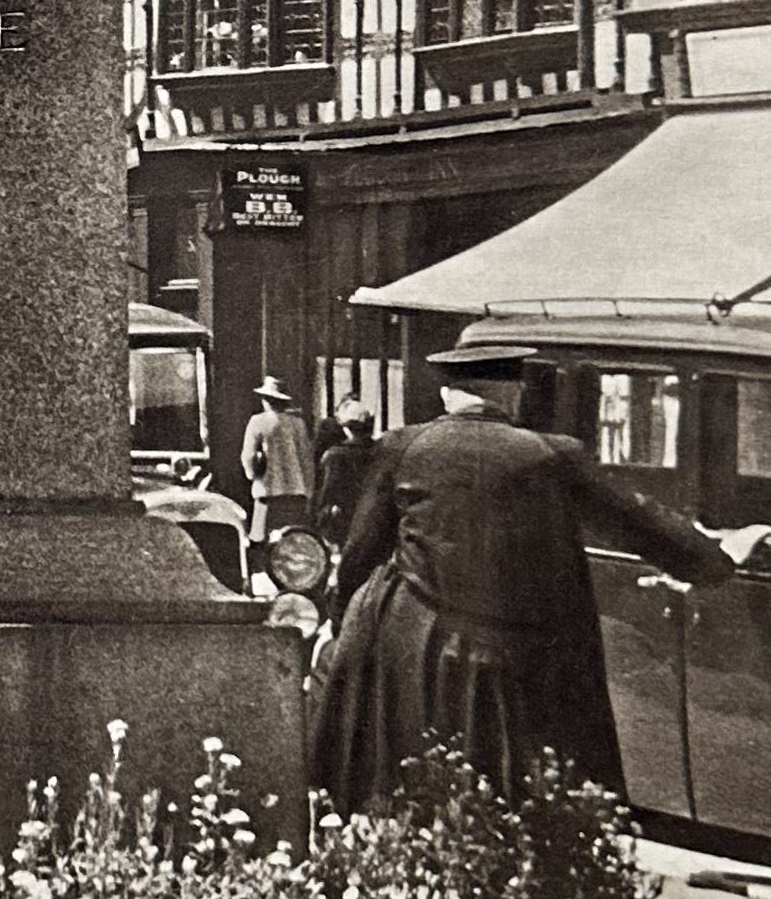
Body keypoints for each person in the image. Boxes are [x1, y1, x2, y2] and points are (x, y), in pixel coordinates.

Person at [311, 333, 739, 811]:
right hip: (513, 652)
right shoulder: (551, 454)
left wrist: (340, 614)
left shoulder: (403, 447)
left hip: (415, 646)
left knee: (409, 784)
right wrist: (714, 559)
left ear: (447, 395)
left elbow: (361, 551)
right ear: (512, 395)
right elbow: (636, 521)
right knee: (515, 791)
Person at [240, 372, 316, 560]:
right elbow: (307, 459)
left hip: (268, 492)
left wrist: (252, 475)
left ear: (266, 400)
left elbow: (248, 457)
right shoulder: (298, 424)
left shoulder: (257, 423)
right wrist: (309, 490)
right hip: (295, 494)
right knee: (293, 544)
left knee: (263, 546)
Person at [314, 401, 380, 548]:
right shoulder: (383, 452)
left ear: (346, 428)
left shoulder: (335, 456)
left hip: (346, 522)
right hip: (378, 519)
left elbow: (326, 494)